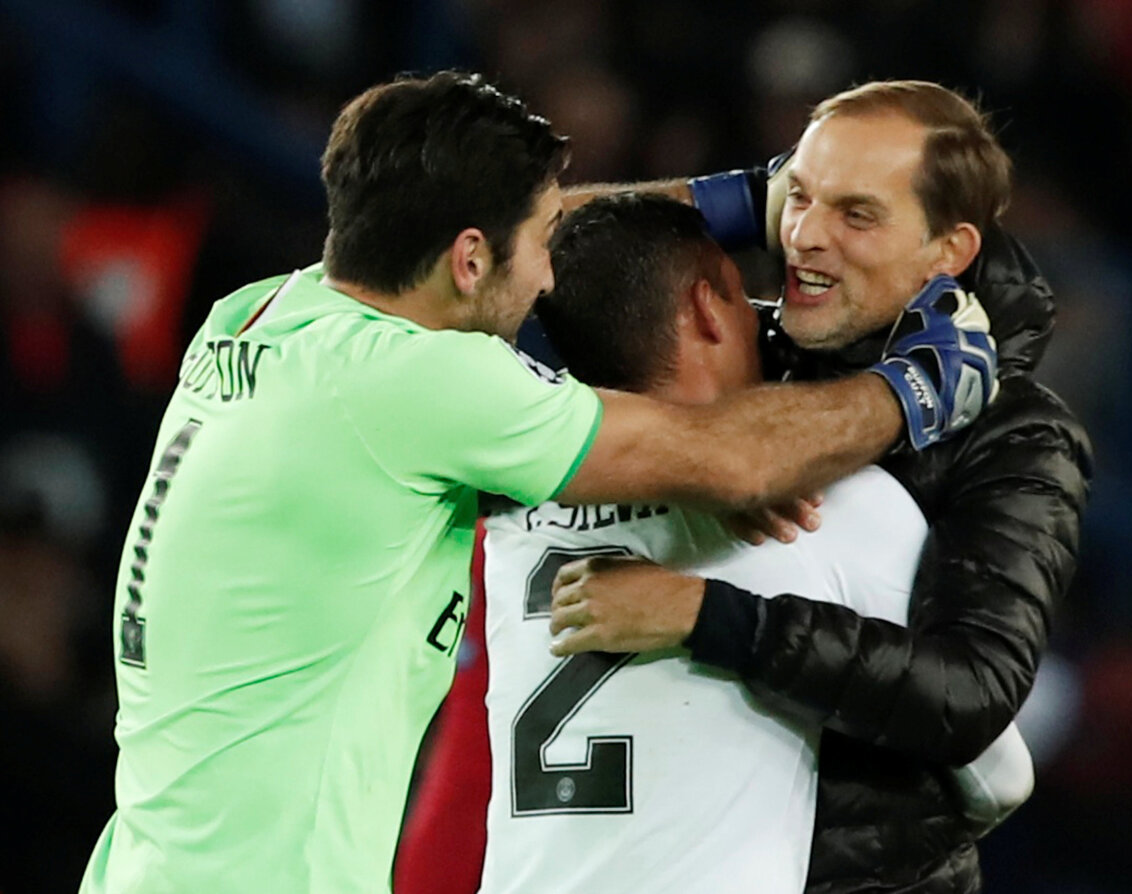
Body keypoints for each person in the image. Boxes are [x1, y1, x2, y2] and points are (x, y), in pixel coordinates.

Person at [76, 72, 998, 894]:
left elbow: (529, 243)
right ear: (470, 259)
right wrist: (915, 385)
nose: (554, 276)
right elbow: (733, 460)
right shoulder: (421, 386)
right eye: (543, 241)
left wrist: (742, 201)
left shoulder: (261, 315)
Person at [550, 80, 1093, 893]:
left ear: (948, 251)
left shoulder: (1017, 434)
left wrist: (707, 616)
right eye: (797, 197)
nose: (804, 237)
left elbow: (969, 695)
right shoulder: (734, 349)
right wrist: (734, 201)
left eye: (857, 214)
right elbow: (515, 249)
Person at [476, 193, 1033, 893]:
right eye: (743, 298)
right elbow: (1000, 774)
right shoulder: (837, 508)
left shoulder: (506, 510)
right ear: (707, 309)